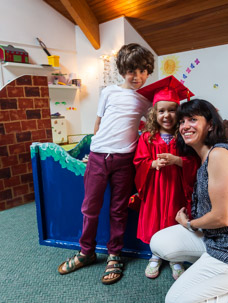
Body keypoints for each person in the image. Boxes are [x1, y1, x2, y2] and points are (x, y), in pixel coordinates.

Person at [150, 99, 228, 302]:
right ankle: (210, 271)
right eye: (182, 121)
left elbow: (221, 217)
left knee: (175, 301)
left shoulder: (219, 154)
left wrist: (189, 224)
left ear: (210, 125)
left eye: (193, 119)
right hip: (216, 238)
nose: (185, 126)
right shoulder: (203, 158)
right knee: (159, 242)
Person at [57, 43, 154, 285]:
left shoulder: (146, 99)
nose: (137, 76)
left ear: (148, 72)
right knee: (89, 208)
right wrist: (94, 152)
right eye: (132, 70)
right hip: (99, 157)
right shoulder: (109, 92)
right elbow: (98, 125)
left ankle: (114, 254)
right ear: (122, 70)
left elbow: (153, 125)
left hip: (125, 160)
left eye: (143, 71)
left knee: (118, 210)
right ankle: (86, 252)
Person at [133, 76, 200, 280]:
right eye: (161, 111)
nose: (167, 115)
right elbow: (138, 161)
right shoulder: (147, 137)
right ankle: (155, 255)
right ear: (154, 113)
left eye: (172, 110)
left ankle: (176, 258)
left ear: (179, 113)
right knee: (155, 220)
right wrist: (152, 164)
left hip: (176, 188)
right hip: (155, 187)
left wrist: (177, 160)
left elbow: (194, 162)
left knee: (174, 218)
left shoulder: (184, 136)